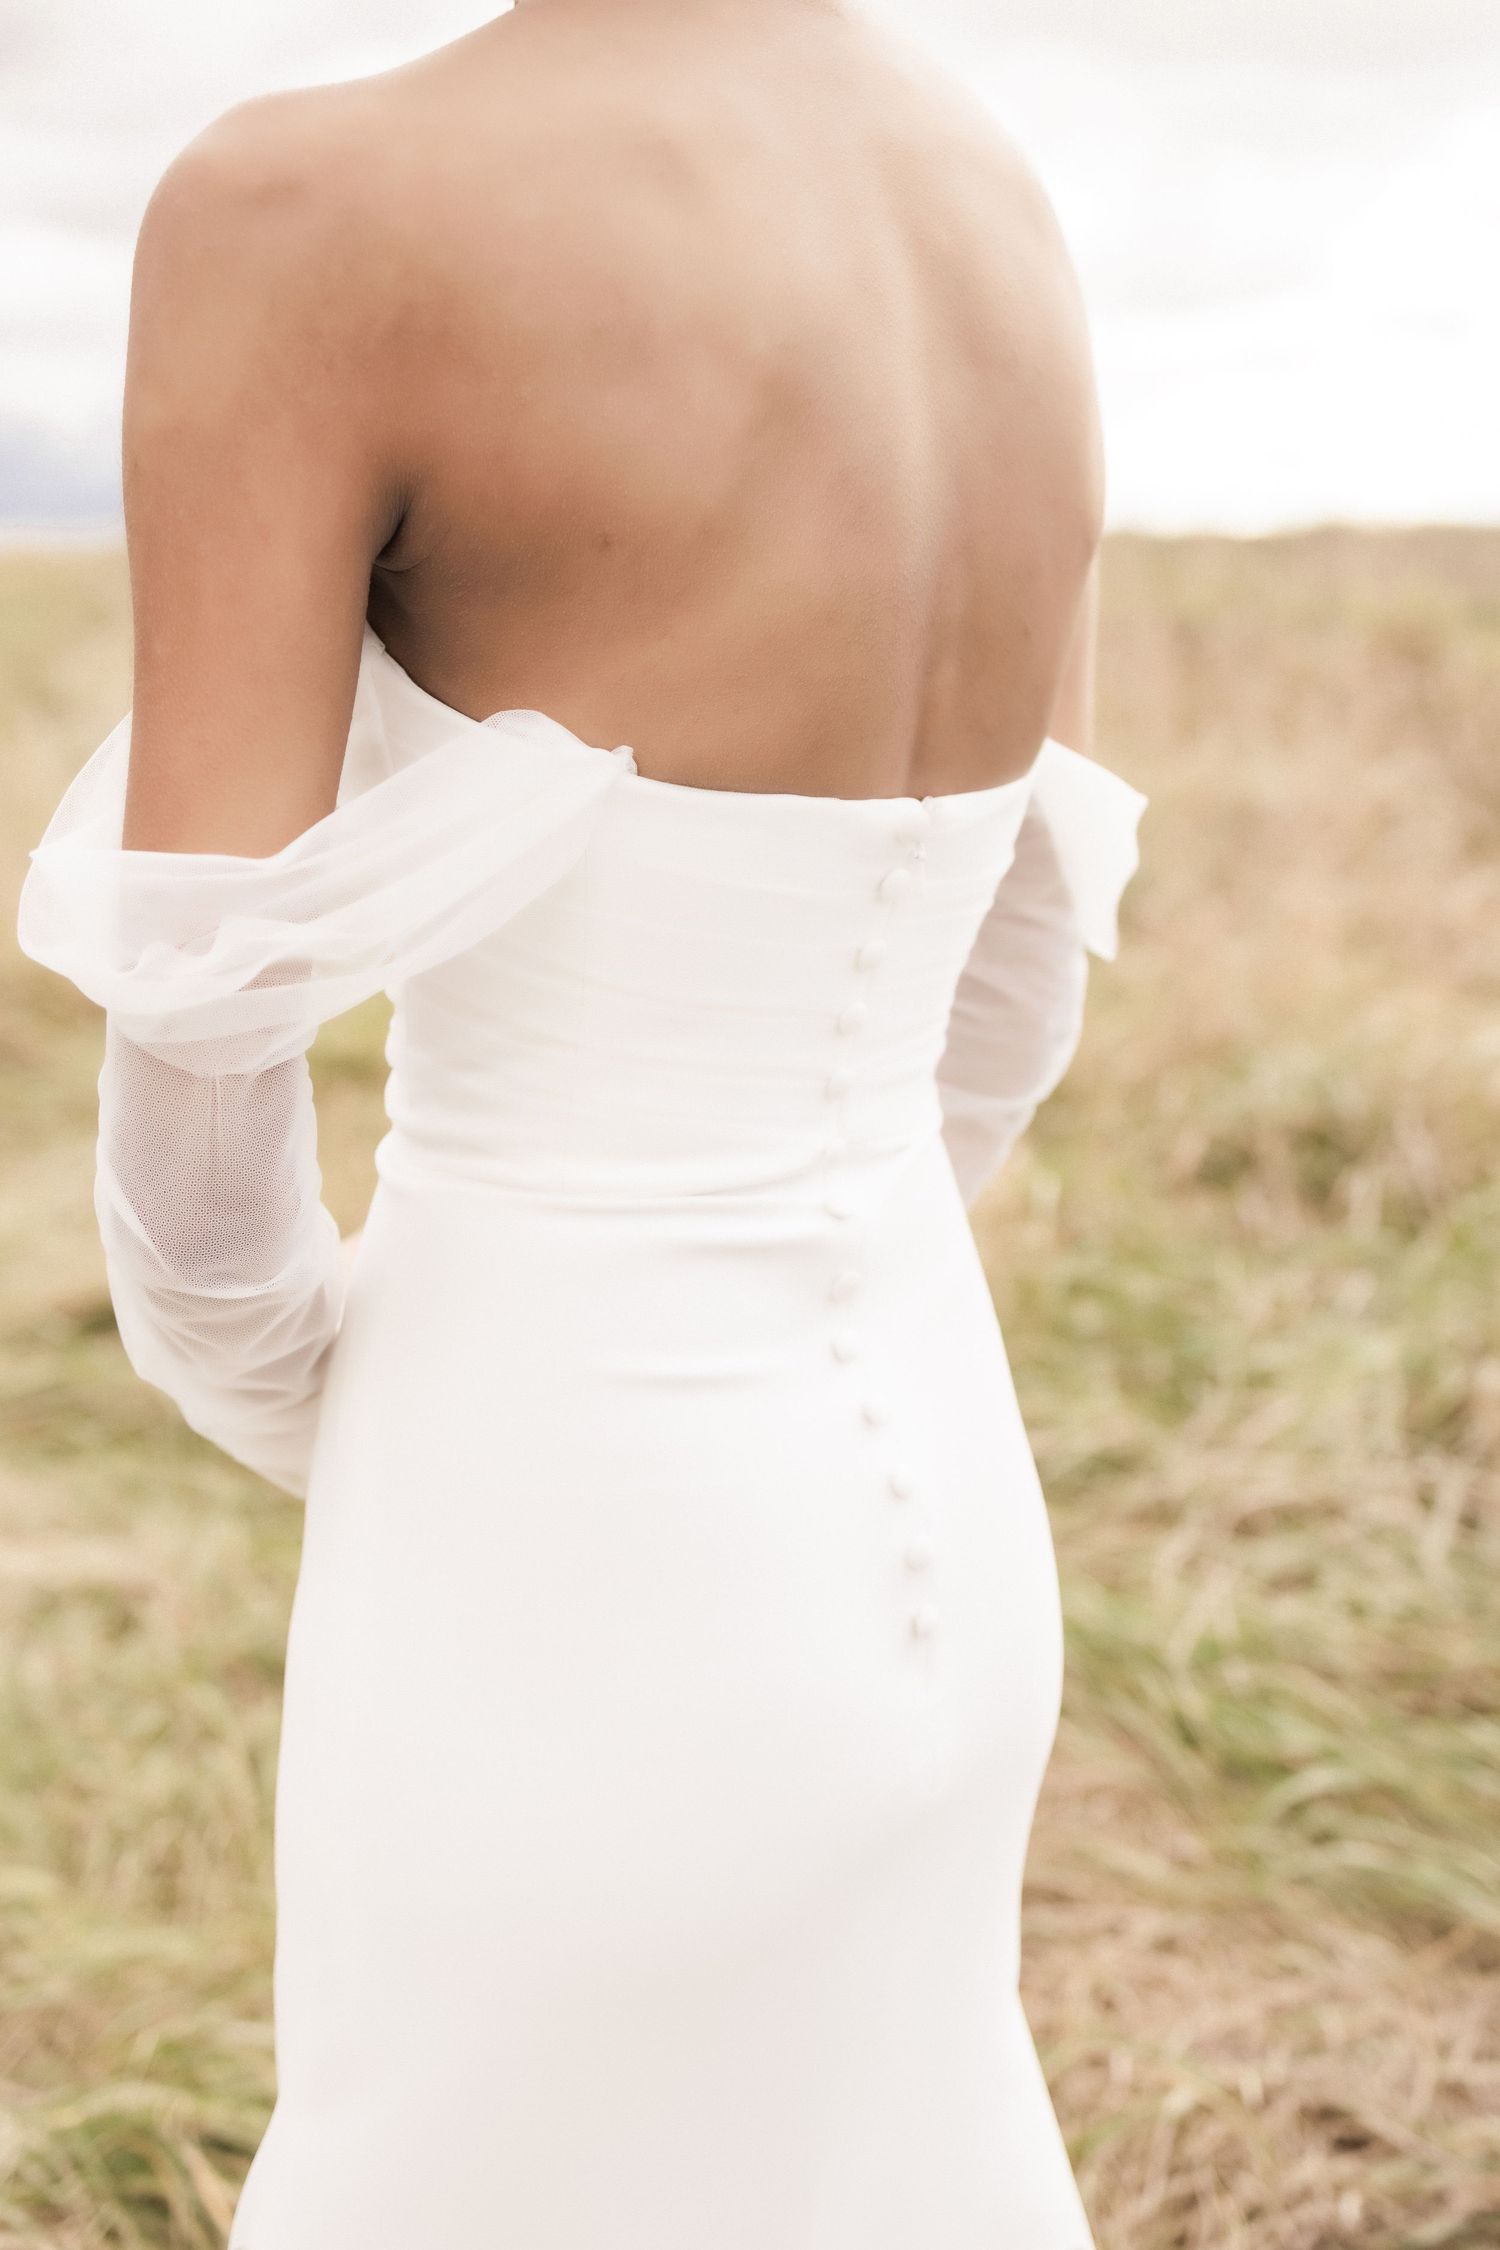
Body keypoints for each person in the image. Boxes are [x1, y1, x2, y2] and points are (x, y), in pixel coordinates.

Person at [18, 0, 1146, 2242]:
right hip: (939, 1493)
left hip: (549, 1539)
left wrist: (420, 1430)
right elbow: (1016, 987)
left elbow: (205, 1189)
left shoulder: (301, 207)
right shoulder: (994, 202)